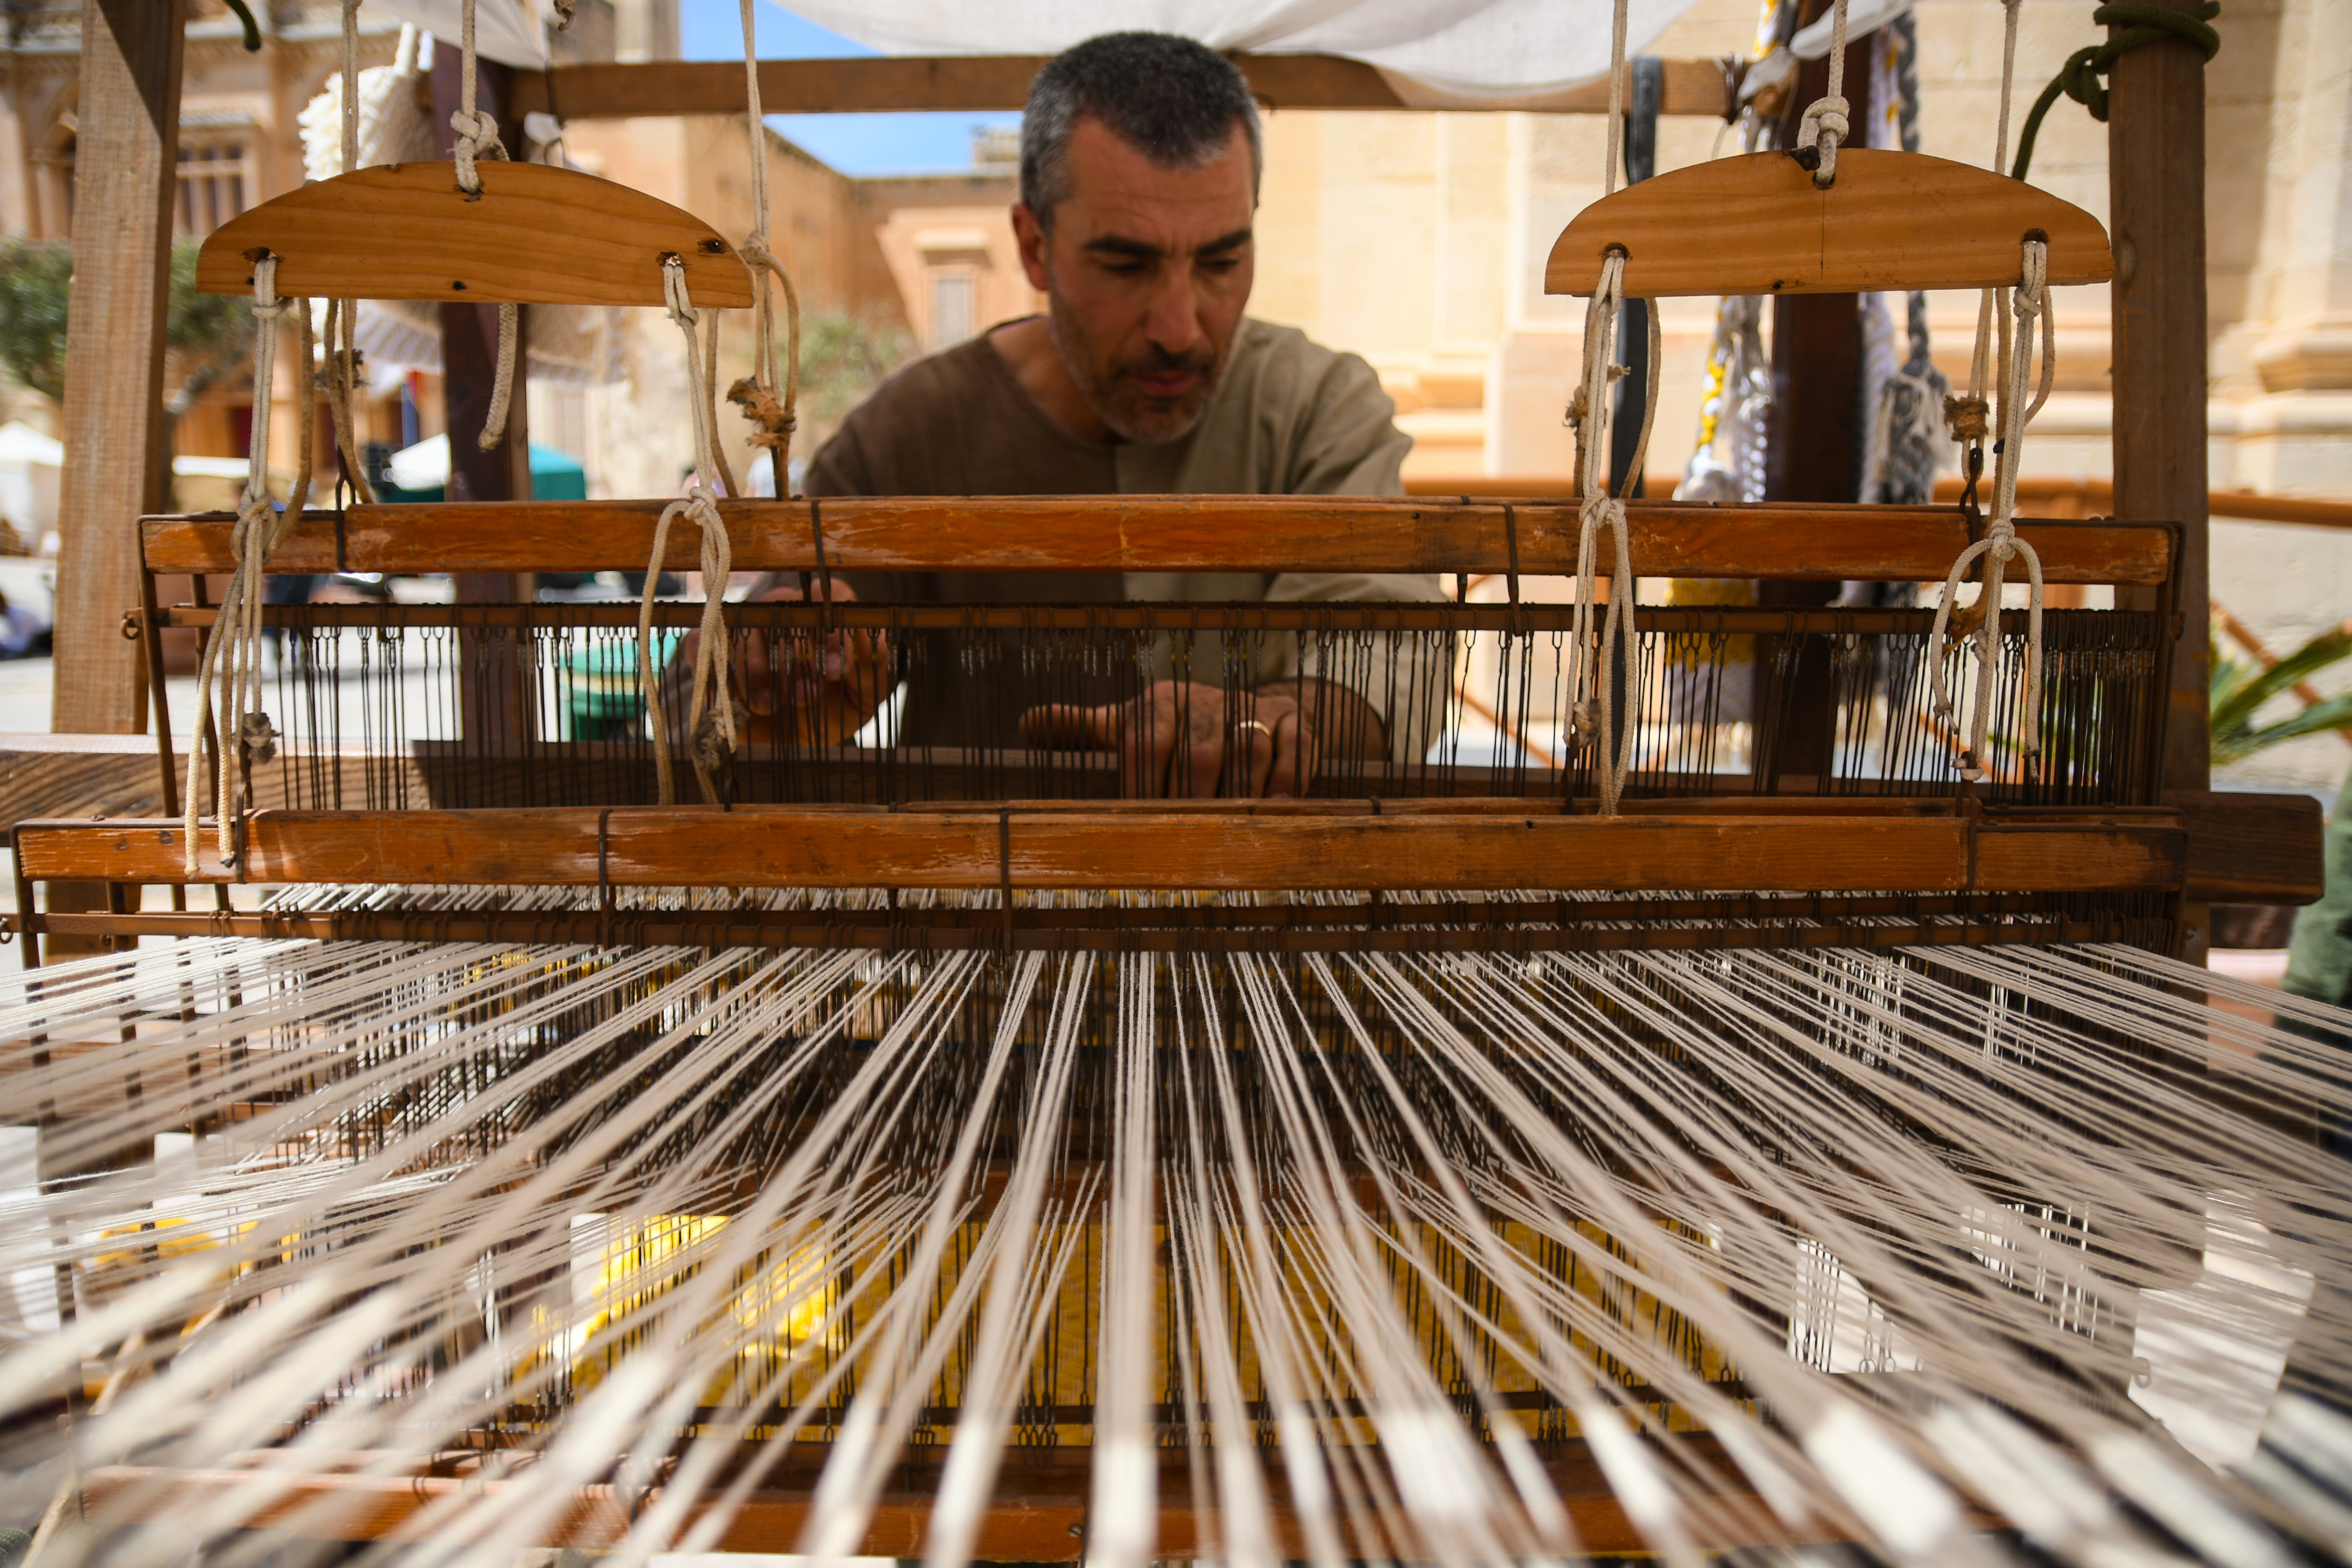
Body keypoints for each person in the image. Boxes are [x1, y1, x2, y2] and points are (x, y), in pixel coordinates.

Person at [732, 31, 1442, 798]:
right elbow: (703, 695)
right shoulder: (915, 428)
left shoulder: (1318, 409)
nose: (1181, 327)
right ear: (1035, 247)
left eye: (1221, 262)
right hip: (981, 912)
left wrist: (1271, 720)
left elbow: (1389, 653)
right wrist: (778, 680)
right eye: (1126, 265)